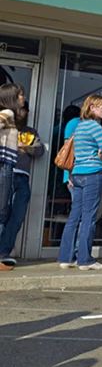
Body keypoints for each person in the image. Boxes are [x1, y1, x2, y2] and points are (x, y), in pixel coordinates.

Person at [57, 94, 102, 271]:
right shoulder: (95, 127)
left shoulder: (79, 127)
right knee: (89, 217)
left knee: (74, 216)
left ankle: (66, 257)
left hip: (77, 174)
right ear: (92, 108)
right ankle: (85, 260)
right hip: (92, 174)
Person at [0, 102, 43, 266]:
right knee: (3, 214)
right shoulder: (5, 127)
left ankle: (4, 252)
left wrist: (24, 146)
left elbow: (39, 150)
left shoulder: (30, 131)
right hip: (5, 172)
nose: (21, 112)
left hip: (23, 176)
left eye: (24, 110)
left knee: (17, 216)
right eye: (19, 109)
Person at [0, 83, 26, 271]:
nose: (22, 98)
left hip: (6, 165)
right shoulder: (7, 113)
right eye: (20, 95)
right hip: (3, 166)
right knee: (1, 210)